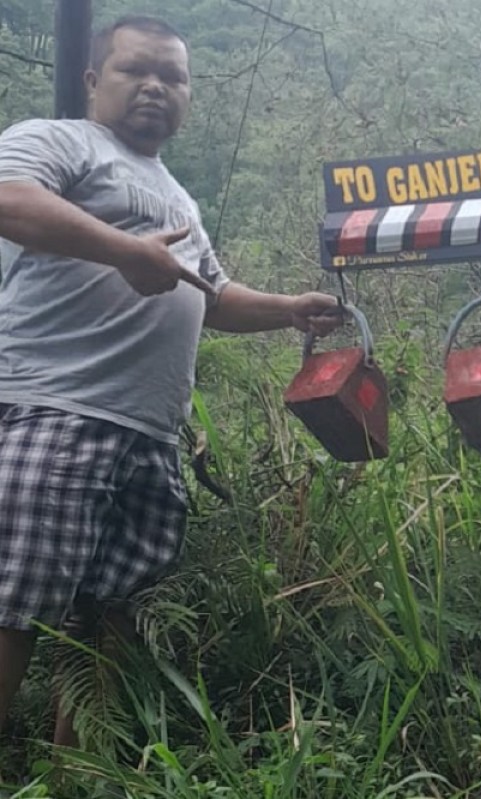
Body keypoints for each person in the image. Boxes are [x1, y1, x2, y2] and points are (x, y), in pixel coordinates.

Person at [0, 15, 341, 747]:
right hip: (55, 411)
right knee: (13, 606)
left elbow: (211, 296)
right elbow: (9, 200)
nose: (155, 86)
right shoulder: (60, 142)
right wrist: (123, 250)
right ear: (95, 81)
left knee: (110, 625)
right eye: (135, 70)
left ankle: (77, 776)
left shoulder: (178, 197)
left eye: (174, 77)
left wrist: (288, 309)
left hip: (152, 436)